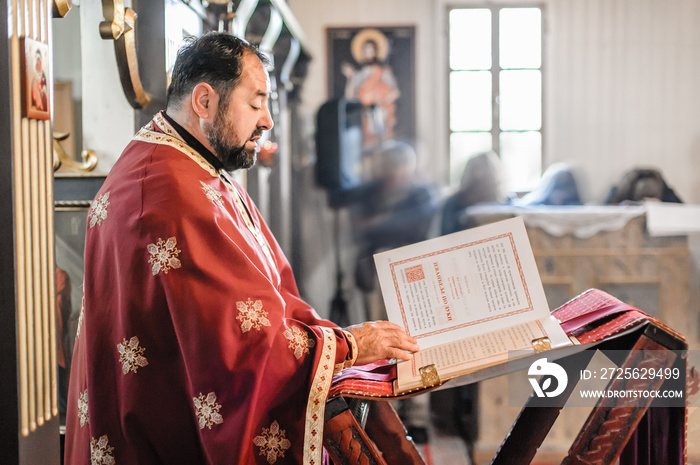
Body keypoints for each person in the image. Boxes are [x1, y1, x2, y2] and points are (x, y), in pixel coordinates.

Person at [64, 32, 418, 465]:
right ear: (205, 101)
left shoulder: (183, 163)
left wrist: (333, 345)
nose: (268, 120)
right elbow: (239, 343)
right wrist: (349, 346)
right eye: (255, 103)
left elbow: (262, 301)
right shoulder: (168, 193)